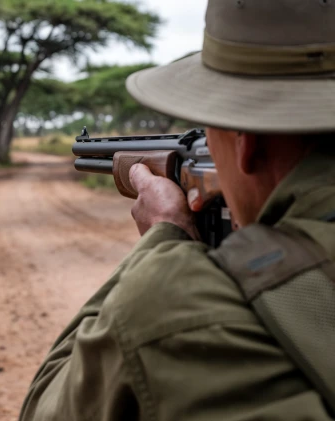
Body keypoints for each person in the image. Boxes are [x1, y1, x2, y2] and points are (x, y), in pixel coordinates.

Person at [19, 0, 335, 420]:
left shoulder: (179, 300)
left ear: (245, 142)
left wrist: (163, 241)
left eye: (210, 128)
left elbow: (45, 405)